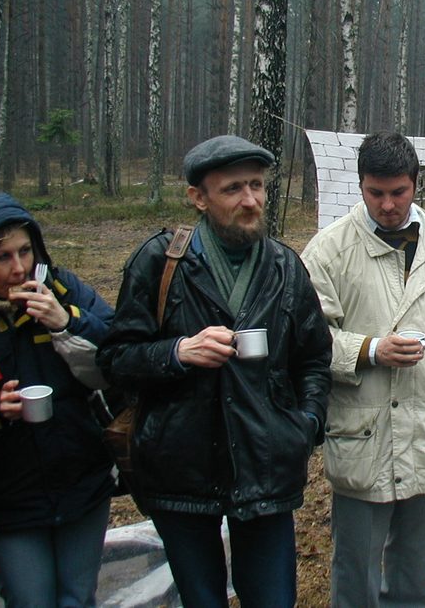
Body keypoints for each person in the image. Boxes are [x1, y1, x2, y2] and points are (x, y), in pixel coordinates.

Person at [97, 135, 332, 608]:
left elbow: (313, 360)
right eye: (232, 189)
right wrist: (178, 353)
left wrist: (304, 426)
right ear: (198, 198)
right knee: (202, 599)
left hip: (265, 464)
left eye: (257, 186)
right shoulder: (161, 262)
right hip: (179, 468)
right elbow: (115, 358)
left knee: (273, 599)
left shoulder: (286, 267)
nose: (250, 200)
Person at [301, 131, 425, 608]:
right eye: (375, 193)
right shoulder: (329, 251)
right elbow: (305, 340)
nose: (387, 205)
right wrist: (368, 350)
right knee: (357, 568)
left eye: (398, 192)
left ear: (415, 185)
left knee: (414, 567)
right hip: (363, 432)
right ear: (361, 186)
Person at [0, 192, 116, 607]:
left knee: (77, 598)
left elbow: (119, 350)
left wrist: (66, 320)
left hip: (82, 480)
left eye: (25, 251)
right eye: (1, 257)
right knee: (29, 601)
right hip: (9, 496)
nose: (18, 269)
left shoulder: (61, 287)